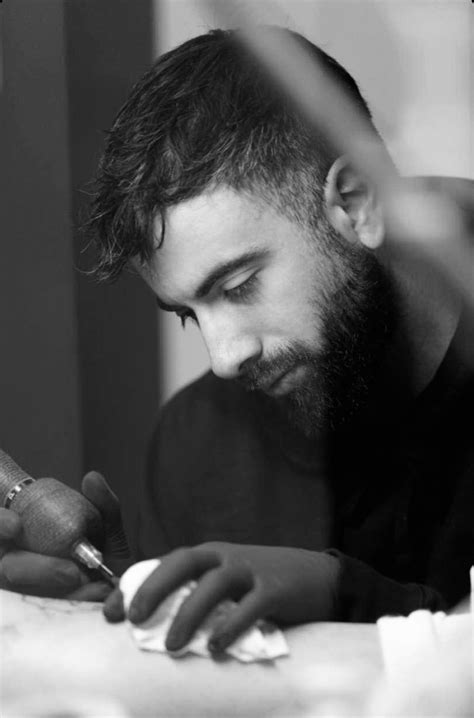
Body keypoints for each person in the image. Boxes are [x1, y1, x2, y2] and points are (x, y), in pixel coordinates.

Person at [1, 27, 472, 655]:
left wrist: (342, 596)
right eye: (188, 315)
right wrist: (122, 631)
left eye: (239, 285)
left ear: (356, 203)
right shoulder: (200, 446)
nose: (224, 359)